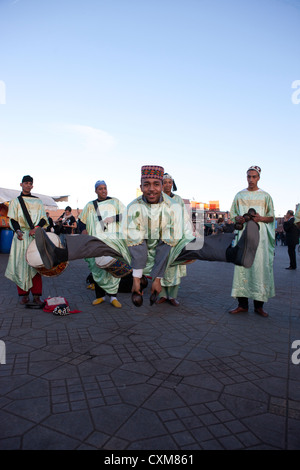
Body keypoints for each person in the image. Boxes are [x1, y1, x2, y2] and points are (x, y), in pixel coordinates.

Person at [34, 165, 260, 305]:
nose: (151, 188)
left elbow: (166, 243)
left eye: (156, 184)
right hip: (136, 248)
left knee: (197, 245)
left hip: (166, 249)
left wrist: (158, 279)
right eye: (146, 184)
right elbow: (137, 245)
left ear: (162, 185)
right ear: (140, 186)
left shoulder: (173, 206)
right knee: (101, 242)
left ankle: (236, 253)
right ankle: (58, 252)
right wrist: (136, 282)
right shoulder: (133, 207)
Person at [229, 165, 275, 318]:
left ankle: (259, 306)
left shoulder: (266, 196)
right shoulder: (239, 195)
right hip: (243, 237)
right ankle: (242, 305)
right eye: (249, 176)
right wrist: (238, 218)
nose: (251, 179)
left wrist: (260, 218)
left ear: (259, 178)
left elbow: (271, 217)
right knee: (242, 267)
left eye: (254, 177)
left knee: (258, 270)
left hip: (259, 240)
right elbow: (233, 214)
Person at [78, 180, 126, 308]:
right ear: (96, 191)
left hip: (113, 241)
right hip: (96, 241)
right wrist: (83, 230)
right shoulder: (90, 205)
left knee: (113, 266)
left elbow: (127, 215)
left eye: (105, 188)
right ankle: (100, 296)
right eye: (100, 188)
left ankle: (113, 297)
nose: (103, 190)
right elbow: (81, 221)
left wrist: (113, 218)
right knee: (97, 267)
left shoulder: (115, 202)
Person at [4, 175, 48, 305]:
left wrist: (36, 228)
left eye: (30, 183)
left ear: (32, 186)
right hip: (21, 236)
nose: (28, 185)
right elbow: (12, 219)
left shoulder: (38, 201)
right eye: (26, 183)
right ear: (21, 184)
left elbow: (43, 218)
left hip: (35, 237)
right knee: (21, 265)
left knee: (36, 265)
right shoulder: (15, 202)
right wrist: (17, 231)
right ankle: (24, 295)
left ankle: (36, 295)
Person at [156, 172, 188, 306]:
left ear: (172, 184)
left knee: (174, 265)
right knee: (161, 263)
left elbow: (184, 217)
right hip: (160, 236)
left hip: (175, 236)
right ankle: (162, 295)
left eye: (170, 182)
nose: (167, 185)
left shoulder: (178, 199)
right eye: (165, 182)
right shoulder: (157, 198)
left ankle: (173, 296)